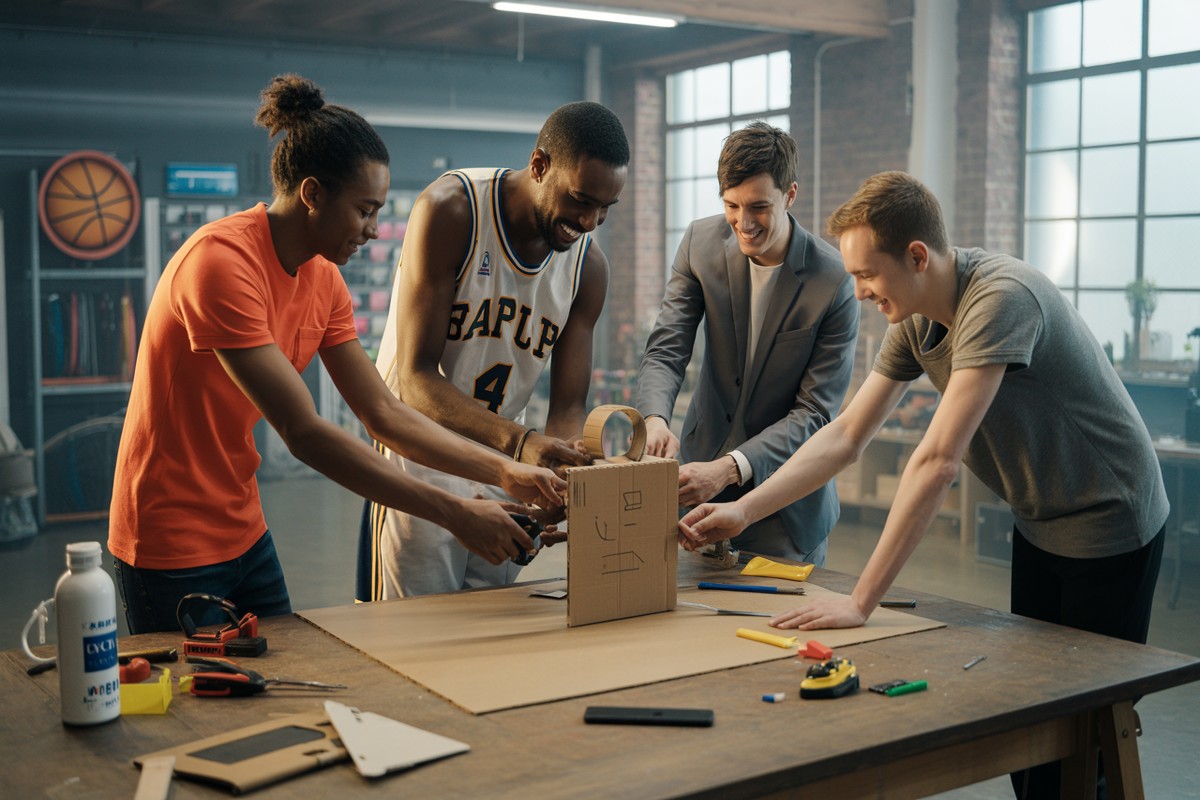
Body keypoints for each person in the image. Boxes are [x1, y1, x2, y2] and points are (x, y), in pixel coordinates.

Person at [679, 171, 1168, 797]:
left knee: (1086, 733)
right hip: (1040, 520)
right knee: (1033, 729)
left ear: (917, 256)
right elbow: (846, 435)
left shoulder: (1000, 298)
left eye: (867, 275)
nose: (857, 293)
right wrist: (743, 511)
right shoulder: (913, 320)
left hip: (1112, 520)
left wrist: (860, 601)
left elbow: (937, 460)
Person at [109, 74, 564, 634]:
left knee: (277, 682)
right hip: (168, 539)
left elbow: (385, 413)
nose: (374, 231)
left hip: (243, 526)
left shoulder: (323, 278)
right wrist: (454, 513)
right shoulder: (220, 264)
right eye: (365, 210)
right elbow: (304, 433)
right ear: (312, 194)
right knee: (193, 707)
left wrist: (507, 471)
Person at [355, 101, 630, 600]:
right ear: (540, 165)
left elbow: (568, 404)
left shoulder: (588, 268)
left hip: (511, 463)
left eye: (606, 209)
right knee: (408, 640)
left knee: (493, 626)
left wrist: (560, 472)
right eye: (580, 200)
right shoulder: (453, 209)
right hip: (423, 456)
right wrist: (522, 444)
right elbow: (416, 379)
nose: (590, 221)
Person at [634, 121, 859, 564]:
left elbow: (814, 414)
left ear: (790, 195)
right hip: (694, 492)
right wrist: (655, 418)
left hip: (786, 508)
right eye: (731, 206)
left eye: (759, 207)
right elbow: (667, 347)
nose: (744, 223)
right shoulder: (700, 243)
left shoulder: (833, 281)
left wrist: (730, 468)